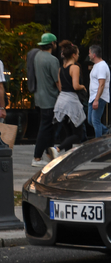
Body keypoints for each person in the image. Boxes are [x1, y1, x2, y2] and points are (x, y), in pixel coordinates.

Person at [51, 41, 87, 153]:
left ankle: (66, 157)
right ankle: (58, 148)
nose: (78, 56)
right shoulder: (75, 67)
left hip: (61, 101)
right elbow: (76, 86)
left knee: (68, 133)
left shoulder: (61, 69)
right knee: (78, 134)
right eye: (78, 53)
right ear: (73, 55)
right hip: (71, 102)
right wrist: (83, 87)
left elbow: (60, 87)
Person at [32, 33, 60, 167]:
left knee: (48, 127)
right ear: (53, 44)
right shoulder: (52, 60)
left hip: (40, 97)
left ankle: (50, 155)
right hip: (50, 98)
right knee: (46, 128)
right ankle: (37, 157)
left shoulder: (37, 56)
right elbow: (57, 81)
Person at [87, 45, 111, 137]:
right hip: (93, 97)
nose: (88, 55)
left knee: (95, 121)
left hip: (99, 97)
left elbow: (101, 84)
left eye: (89, 53)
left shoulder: (101, 66)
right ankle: (107, 132)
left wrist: (97, 99)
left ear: (94, 55)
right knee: (90, 120)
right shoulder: (96, 65)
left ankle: (98, 144)